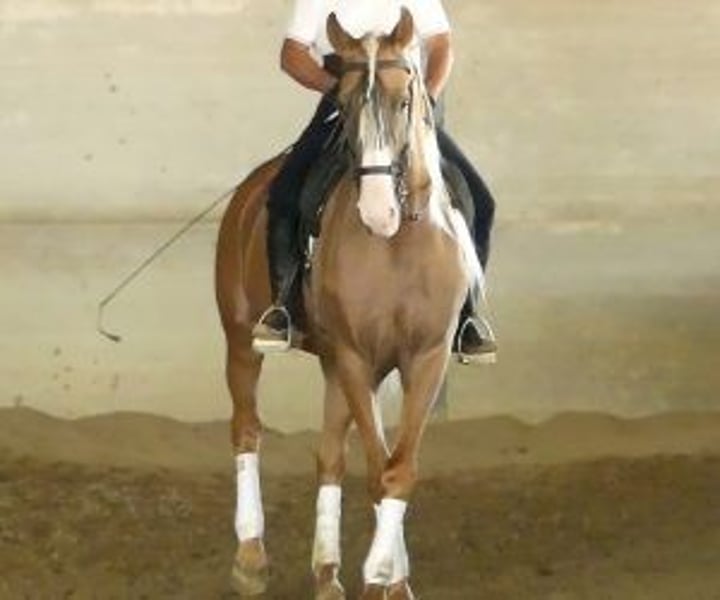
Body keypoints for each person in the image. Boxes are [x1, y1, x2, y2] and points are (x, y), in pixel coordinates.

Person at [252, 0, 497, 362]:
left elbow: (440, 44)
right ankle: (283, 306)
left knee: (479, 199)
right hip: (347, 95)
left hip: (402, 101)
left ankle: (466, 316)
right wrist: (337, 87)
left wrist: (427, 98)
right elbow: (292, 54)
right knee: (286, 193)